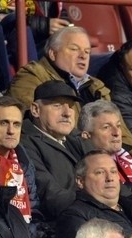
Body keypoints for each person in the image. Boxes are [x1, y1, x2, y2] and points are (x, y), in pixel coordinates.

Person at [7, 26, 132, 151]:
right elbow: (32, 125)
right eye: (75, 49)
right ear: (53, 54)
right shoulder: (32, 76)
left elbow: (123, 134)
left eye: (87, 51)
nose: (83, 55)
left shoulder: (97, 87)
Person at [18, 80, 83, 225]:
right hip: (62, 223)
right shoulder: (24, 143)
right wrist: (94, 202)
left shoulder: (77, 139)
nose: (67, 113)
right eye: (57, 106)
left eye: (71, 106)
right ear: (35, 110)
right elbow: (49, 195)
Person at [0, 96, 40, 228]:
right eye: (3, 123)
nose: (11, 131)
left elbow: (33, 209)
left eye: (16, 124)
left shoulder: (24, 161)